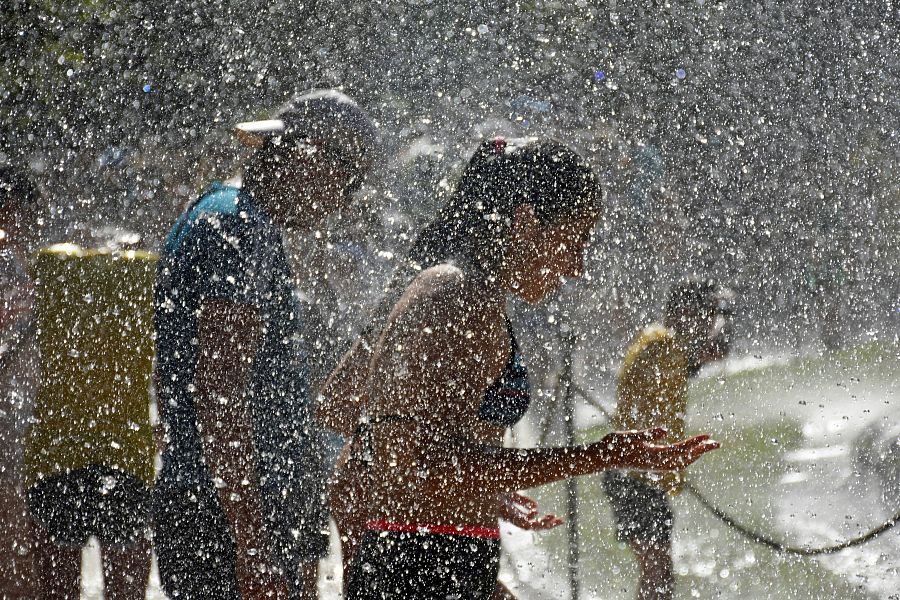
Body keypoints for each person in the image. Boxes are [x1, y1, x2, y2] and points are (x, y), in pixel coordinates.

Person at [319, 137, 720, 599]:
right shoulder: (452, 295)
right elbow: (414, 462)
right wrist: (602, 455)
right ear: (527, 223)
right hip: (418, 568)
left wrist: (478, 489)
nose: (576, 266)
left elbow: (404, 447)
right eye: (574, 241)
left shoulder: (480, 299)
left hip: (446, 560)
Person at [152, 89, 377, 600]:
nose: (345, 201)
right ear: (312, 157)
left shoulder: (225, 212)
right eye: (350, 181)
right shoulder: (238, 227)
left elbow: (176, 377)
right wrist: (251, 542)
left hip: (215, 501)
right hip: (231, 517)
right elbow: (220, 390)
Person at [24, 243, 157, 600]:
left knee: (56, 594)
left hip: (55, 457)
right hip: (127, 458)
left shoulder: (50, 267)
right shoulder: (145, 273)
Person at [603, 280, 732, 600]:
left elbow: (694, 360)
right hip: (634, 475)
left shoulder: (661, 344)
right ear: (685, 312)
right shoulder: (663, 346)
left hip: (639, 473)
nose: (710, 323)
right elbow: (697, 355)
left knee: (659, 574)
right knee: (658, 574)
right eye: (707, 314)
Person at [0, 165, 41, 598]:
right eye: (31, 215)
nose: (35, 226)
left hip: (19, 430)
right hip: (7, 432)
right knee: (13, 546)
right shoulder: (7, 265)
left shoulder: (19, 264)